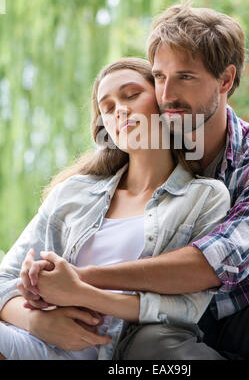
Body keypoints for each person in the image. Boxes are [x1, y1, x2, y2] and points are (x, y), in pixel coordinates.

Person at [19, 1, 249, 360]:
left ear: (225, 80)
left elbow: (211, 263)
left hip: (238, 311)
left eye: (185, 77)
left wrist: (82, 278)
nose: (166, 96)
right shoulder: (145, 138)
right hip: (160, 322)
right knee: (154, 347)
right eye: (160, 77)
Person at [0, 57, 231, 360]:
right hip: (31, 340)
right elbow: (5, 281)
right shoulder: (74, 192)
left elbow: (185, 308)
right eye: (107, 108)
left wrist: (80, 291)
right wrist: (37, 320)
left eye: (131, 95)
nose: (119, 110)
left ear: (163, 102)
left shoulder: (204, 197)